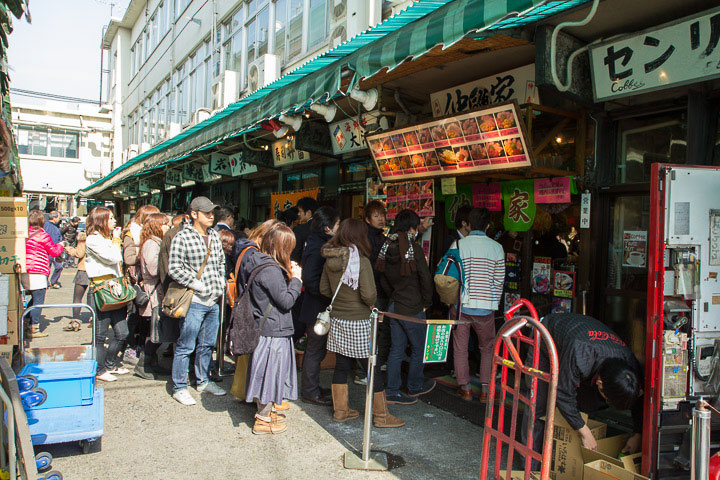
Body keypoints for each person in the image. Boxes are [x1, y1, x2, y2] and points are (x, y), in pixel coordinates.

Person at [521, 313, 643, 461]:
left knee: (586, 405)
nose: (608, 403)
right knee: (539, 402)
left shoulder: (629, 367)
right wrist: (584, 431)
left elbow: (638, 399)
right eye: (608, 399)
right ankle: (531, 467)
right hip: (548, 339)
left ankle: (564, 458)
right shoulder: (581, 354)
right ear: (600, 383)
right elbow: (563, 393)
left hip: (582, 344)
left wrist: (638, 433)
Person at [321, 218, 403, 428]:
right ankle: (381, 415)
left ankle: (341, 411)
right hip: (359, 321)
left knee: (341, 365)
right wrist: (368, 302)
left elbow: (324, 289)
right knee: (372, 367)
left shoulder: (329, 258)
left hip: (338, 318)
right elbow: (369, 295)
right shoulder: (361, 261)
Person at [240, 219, 303, 435]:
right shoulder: (270, 270)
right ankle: (263, 419)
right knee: (270, 374)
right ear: (281, 247)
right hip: (273, 329)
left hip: (265, 327)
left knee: (268, 373)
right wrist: (296, 280)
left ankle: (267, 413)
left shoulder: (257, 261)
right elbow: (286, 301)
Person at [168, 197, 227, 405]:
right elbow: (174, 268)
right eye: (206, 212)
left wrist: (220, 283)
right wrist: (195, 283)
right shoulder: (182, 237)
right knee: (186, 345)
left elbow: (221, 261)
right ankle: (179, 387)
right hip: (193, 299)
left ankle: (203, 380)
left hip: (213, 299)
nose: (211, 216)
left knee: (207, 344)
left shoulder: (214, 235)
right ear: (194, 214)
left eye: (213, 212)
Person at [376, 209, 435, 405]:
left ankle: (392, 390)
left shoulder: (386, 248)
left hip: (394, 305)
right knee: (419, 348)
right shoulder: (413, 249)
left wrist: (393, 293)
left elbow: (382, 278)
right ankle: (414, 386)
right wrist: (427, 302)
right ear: (411, 228)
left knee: (396, 349)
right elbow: (425, 278)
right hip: (412, 306)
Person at [450, 208, 505, 402]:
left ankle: (465, 389)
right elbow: (499, 281)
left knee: (460, 347)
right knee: (488, 348)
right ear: (488, 225)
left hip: (462, 305)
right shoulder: (496, 248)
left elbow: (449, 276)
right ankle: (485, 390)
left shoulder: (458, 244)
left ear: (469, 224)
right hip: (485, 307)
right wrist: (492, 302)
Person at [299, 206, 340, 406]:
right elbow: (310, 279)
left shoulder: (319, 242)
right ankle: (310, 391)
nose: (339, 227)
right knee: (315, 350)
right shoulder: (317, 248)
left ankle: (311, 387)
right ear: (327, 228)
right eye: (337, 224)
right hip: (317, 308)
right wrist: (327, 296)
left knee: (317, 350)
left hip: (318, 306)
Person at [85, 207, 130, 382]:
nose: (114, 221)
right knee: (100, 334)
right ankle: (100, 369)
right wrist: (117, 239)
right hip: (100, 290)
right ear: (101, 221)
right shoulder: (93, 240)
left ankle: (111, 364)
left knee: (122, 332)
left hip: (116, 289)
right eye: (110, 218)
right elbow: (114, 257)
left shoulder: (107, 239)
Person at [134, 213, 171, 380]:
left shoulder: (156, 243)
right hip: (153, 293)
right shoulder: (151, 244)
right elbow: (154, 269)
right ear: (157, 226)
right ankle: (143, 365)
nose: (168, 227)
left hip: (157, 292)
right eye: (166, 224)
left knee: (156, 330)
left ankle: (152, 363)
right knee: (155, 331)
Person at [122, 205, 161, 362]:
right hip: (137, 282)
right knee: (137, 316)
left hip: (144, 280)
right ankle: (133, 347)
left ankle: (141, 348)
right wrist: (143, 253)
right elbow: (129, 258)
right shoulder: (131, 234)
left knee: (145, 317)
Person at [24, 209, 65, 338]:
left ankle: (25, 320)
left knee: (32, 298)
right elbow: (54, 252)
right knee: (38, 300)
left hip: (24, 271)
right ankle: (33, 328)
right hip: (38, 271)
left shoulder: (24, 234)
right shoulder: (42, 235)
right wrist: (61, 245)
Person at [364, 200, 390, 373]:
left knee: (377, 328)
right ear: (367, 219)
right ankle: (370, 367)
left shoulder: (382, 237)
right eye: (376, 216)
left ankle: (373, 364)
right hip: (374, 290)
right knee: (375, 329)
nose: (380, 219)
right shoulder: (367, 238)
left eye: (382, 215)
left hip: (380, 289)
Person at [64, 231, 88, 329]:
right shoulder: (106, 236)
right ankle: (94, 320)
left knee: (77, 297)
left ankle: (75, 321)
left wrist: (68, 248)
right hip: (97, 271)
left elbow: (79, 253)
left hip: (84, 269)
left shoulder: (84, 238)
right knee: (93, 296)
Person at [291, 197, 319, 263]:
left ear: (309, 212)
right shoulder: (324, 226)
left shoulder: (300, 229)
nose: (298, 214)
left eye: (300, 211)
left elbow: (296, 253)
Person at [44, 210, 64, 289]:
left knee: (59, 267)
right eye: (58, 217)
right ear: (54, 218)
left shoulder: (56, 226)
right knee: (47, 268)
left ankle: (53, 281)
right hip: (49, 250)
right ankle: (46, 282)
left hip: (56, 250)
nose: (59, 219)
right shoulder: (47, 226)